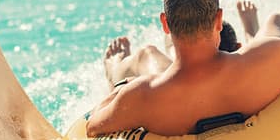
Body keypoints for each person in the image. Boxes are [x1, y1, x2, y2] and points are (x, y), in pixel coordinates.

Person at [87, 0, 280, 137]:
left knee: (145, 55)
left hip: (169, 90)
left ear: (165, 24)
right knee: (277, 21)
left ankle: (114, 70)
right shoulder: (265, 57)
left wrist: (120, 91)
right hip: (247, 76)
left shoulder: (142, 95)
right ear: (219, 20)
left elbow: (93, 127)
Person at [103, 22, 241, 90]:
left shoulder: (169, 88)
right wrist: (250, 27)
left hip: (176, 91)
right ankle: (178, 48)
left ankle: (114, 73)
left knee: (146, 53)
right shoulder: (247, 68)